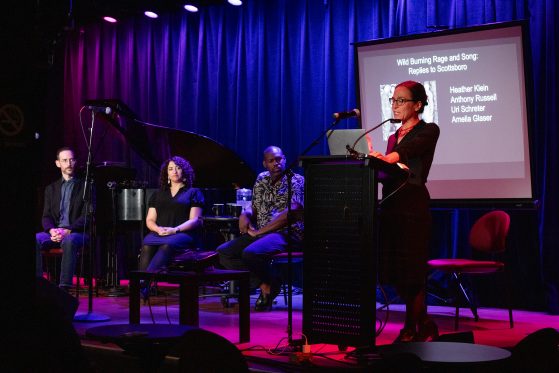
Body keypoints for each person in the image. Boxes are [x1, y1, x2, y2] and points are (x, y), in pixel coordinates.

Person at [370, 80, 440, 342]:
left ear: (418, 105)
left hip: (412, 208)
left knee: (412, 271)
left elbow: (408, 151)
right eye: (393, 100)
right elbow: (389, 173)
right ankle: (423, 322)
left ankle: (411, 328)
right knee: (395, 272)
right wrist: (371, 165)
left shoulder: (429, 130)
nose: (395, 105)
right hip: (390, 208)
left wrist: (388, 158)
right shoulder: (391, 136)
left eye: (401, 100)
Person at [217, 146, 304, 311]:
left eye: (279, 159)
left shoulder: (296, 180)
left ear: (284, 159)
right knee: (224, 252)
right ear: (265, 163)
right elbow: (254, 206)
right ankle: (267, 282)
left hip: (287, 233)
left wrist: (260, 232)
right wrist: (245, 214)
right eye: (271, 161)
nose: (276, 163)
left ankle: (267, 284)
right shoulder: (261, 179)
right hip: (261, 233)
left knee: (251, 253)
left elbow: (291, 212)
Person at [35, 147, 89, 292]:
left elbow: (88, 216)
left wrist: (68, 230)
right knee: (36, 238)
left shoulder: (86, 186)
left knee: (69, 241)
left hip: (76, 232)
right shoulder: (51, 188)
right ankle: (37, 283)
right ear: (58, 163)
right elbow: (46, 216)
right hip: (56, 231)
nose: (69, 163)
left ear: (75, 162)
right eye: (64, 160)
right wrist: (52, 230)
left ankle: (64, 288)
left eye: (71, 160)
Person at [138, 156, 204, 275]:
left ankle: (144, 282)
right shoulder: (157, 194)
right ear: (167, 174)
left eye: (178, 168)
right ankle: (143, 282)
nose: (174, 171)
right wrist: (158, 229)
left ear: (183, 171)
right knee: (147, 244)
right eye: (171, 169)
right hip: (160, 233)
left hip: (183, 233)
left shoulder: (193, 192)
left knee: (167, 245)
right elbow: (150, 219)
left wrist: (174, 230)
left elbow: (195, 220)